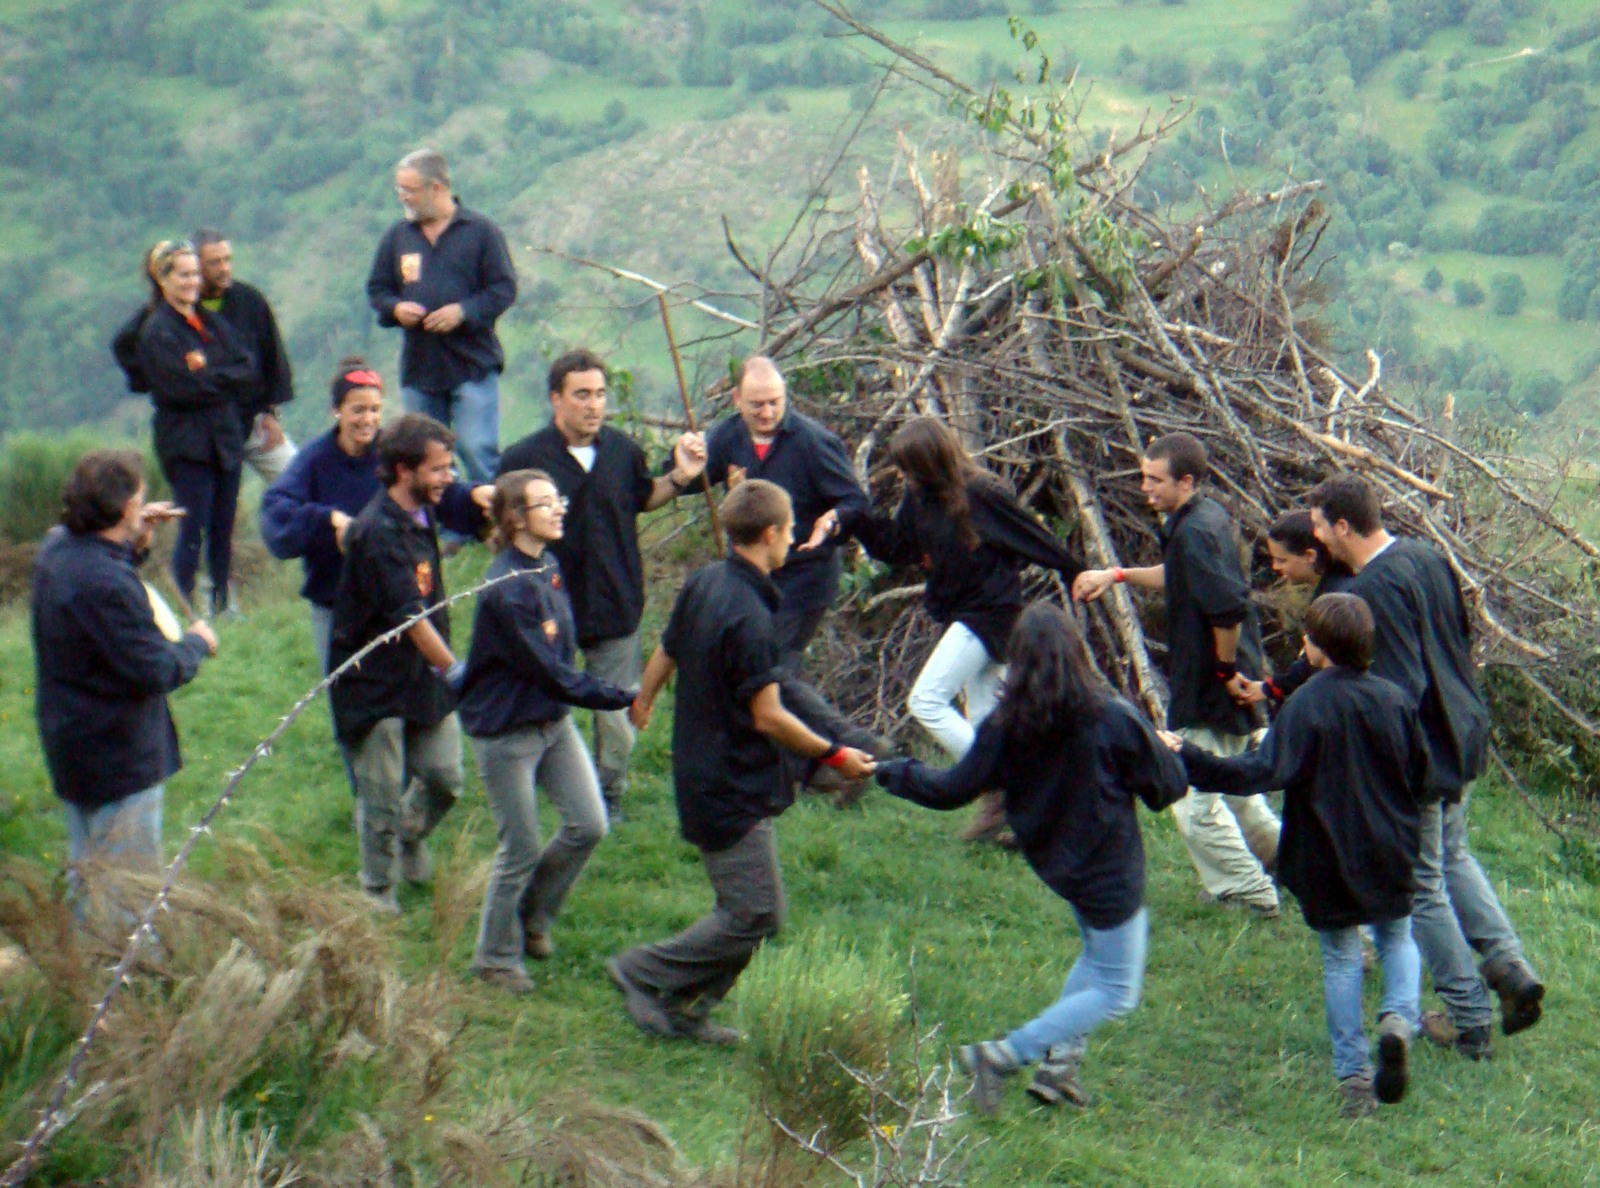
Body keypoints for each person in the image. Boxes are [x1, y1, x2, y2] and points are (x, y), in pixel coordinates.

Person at [875, 602, 1187, 1115]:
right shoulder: (1111, 717)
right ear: (1077, 653)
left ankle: (1059, 1070)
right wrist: (1159, 748)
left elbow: (953, 788)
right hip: (1110, 871)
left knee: (1095, 957)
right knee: (1116, 990)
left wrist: (895, 772)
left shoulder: (1005, 725)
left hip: (1057, 864)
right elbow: (1167, 789)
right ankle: (1001, 1056)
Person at [607, 480, 875, 1044]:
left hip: (704, 766)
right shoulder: (750, 615)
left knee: (751, 912)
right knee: (755, 914)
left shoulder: (707, 581)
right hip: (729, 781)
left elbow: (668, 646)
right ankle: (643, 972)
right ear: (772, 533)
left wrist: (646, 698)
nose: (795, 537)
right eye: (791, 528)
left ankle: (688, 1011)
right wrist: (835, 754)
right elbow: (770, 716)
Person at [1308, 473, 1544, 1059]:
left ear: (1343, 526)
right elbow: (1457, 643)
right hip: (1460, 729)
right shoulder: (1423, 555)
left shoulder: (1375, 588)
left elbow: (1399, 689)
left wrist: (1386, 768)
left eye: (1319, 526)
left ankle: (1468, 1020)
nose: (1315, 538)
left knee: (1421, 885)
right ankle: (1510, 969)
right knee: (1454, 859)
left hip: (1423, 753)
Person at [1169, 593, 1425, 1118]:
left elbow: (1261, 772)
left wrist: (1190, 757)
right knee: (1397, 937)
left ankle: (1354, 1079)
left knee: (1340, 958)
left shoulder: (1306, 706)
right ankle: (1398, 1019)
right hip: (1390, 846)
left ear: (1317, 647)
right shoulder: (1395, 700)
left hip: (1329, 853)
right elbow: (1419, 774)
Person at [1074, 432, 1281, 917]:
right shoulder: (1200, 518)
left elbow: (1228, 609)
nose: (1145, 488)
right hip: (1226, 676)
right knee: (1238, 793)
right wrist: (1117, 575)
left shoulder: (1195, 531)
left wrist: (1225, 671)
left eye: (1154, 480)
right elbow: (1178, 575)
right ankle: (1291, 863)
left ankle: (1248, 893)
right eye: (1143, 476)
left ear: (1185, 481)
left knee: (1191, 795)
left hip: (1214, 684)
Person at [497, 349, 707, 820]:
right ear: (556, 399)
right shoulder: (524, 460)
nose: (594, 405)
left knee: (614, 712)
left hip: (616, 600)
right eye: (582, 395)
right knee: (543, 703)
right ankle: (538, 789)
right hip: (546, 605)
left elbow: (643, 497)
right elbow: (499, 528)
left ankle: (609, 795)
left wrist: (679, 477)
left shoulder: (622, 450)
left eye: (599, 394)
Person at [856, 417, 1084, 841]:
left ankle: (1004, 779)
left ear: (930, 462)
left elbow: (1032, 537)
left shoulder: (981, 493)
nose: (903, 476)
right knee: (987, 719)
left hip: (991, 614)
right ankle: (1020, 816)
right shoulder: (919, 495)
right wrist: (854, 522)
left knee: (925, 699)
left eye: (909, 467)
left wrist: (1078, 574)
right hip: (965, 611)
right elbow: (901, 547)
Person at [459, 470, 638, 995]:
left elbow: (564, 654)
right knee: (520, 845)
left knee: (590, 824)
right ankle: (493, 958)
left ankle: (531, 919)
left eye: (558, 499)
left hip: (551, 721)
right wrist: (623, 696)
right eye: (545, 503)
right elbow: (553, 671)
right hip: (506, 732)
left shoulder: (548, 565)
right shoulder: (505, 590)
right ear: (516, 518)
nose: (559, 508)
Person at [692, 356, 883, 796]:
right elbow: (689, 478)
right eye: (757, 404)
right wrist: (686, 459)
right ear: (737, 399)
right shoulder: (726, 436)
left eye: (775, 403)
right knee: (768, 674)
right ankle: (816, 769)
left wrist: (831, 521)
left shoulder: (813, 442)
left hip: (805, 577)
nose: (767, 413)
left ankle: (852, 749)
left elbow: (854, 502)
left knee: (771, 673)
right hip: (753, 580)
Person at [31, 450, 217, 902]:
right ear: (125, 508)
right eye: (139, 499)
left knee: (87, 873)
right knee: (128, 892)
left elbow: (103, 598)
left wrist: (135, 542)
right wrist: (196, 644)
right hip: (116, 754)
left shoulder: (57, 549)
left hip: (72, 740)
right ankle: (129, 969)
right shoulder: (105, 583)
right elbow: (155, 667)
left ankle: (79, 964)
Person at [328, 414, 481, 914]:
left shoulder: (421, 511)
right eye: (437, 470)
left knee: (445, 778)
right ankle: (377, 891)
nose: (447, 478)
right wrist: (458, 672)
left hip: (419, 677)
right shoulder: (377, 532)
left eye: (448, 468)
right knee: (380, 794)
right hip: (372, 682)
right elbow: (411, 619)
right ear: (402, 470)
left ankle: (409, 837)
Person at [261, 357, 489, 674]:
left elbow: (435, 489)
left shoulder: (394, 452)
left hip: (404, 594)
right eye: (358, 410)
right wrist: (329, 521)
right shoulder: (314, 461)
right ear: (336, 410)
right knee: (354, 699)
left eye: (375, 410)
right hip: (338, 605)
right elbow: (277, 513)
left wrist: (473, 496)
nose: (367, 419)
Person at [366, 148, 517, 485]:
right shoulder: (397, 237)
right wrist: (395, 309)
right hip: (421, 368)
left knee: (477, 450)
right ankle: (442, 531)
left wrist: (464, 312)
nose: (403, 197)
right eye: (399, 190)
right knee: (423, 457)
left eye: (410, 190)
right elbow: (377, 289)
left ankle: (489, 525)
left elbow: (504, 289)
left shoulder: (481, 232)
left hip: (471, 364)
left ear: (436, 188)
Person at [128, 239, 258, 617]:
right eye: (183, 274)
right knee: (192, 528)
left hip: (225, 438)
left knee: (223, 526)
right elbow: (179, 387)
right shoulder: (157, 331)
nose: (192, 281)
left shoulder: (211, 324)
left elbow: (247, 367)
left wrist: (210, 374)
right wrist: (222, 379)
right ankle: (187, 606)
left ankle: (222, 602)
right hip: (187, 444)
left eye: (195, 274)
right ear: (163, 280)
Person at [192, 227, 297, 486]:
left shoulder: (249, 301)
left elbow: (274, 358)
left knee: (297, 480)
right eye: (214, 263)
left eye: (227, 259)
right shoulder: (180, 311)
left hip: (254, 419)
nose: (224, 268)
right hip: (207, 430)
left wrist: (272, 413)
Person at [1241, 509, 1354, 707]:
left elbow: (1312, 663)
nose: (1275, 567)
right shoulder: (1334, 586)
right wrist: (1268, 688)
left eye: (1282, 560)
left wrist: (1270, 689)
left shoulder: (1336, 600)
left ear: (1310, 556)